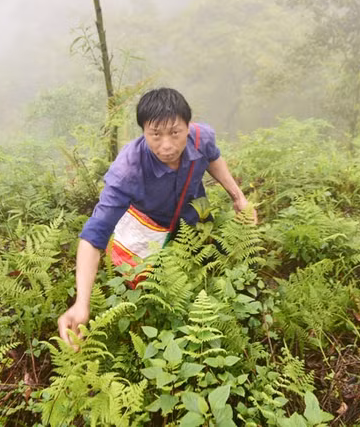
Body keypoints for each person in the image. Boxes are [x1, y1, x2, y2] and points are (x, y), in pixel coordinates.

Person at [57, 87, 254, 345]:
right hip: (148, 223)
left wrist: (238, 197)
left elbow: (213, 158)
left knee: (198, 260)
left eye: (175, 132)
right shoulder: (128, 170)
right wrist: (82, 303)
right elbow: (95, 234)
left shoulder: (201, 137)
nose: (167, 145)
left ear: (187, 125)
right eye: (155, 135)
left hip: (193, 213)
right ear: (143, 132)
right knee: (147, 282)